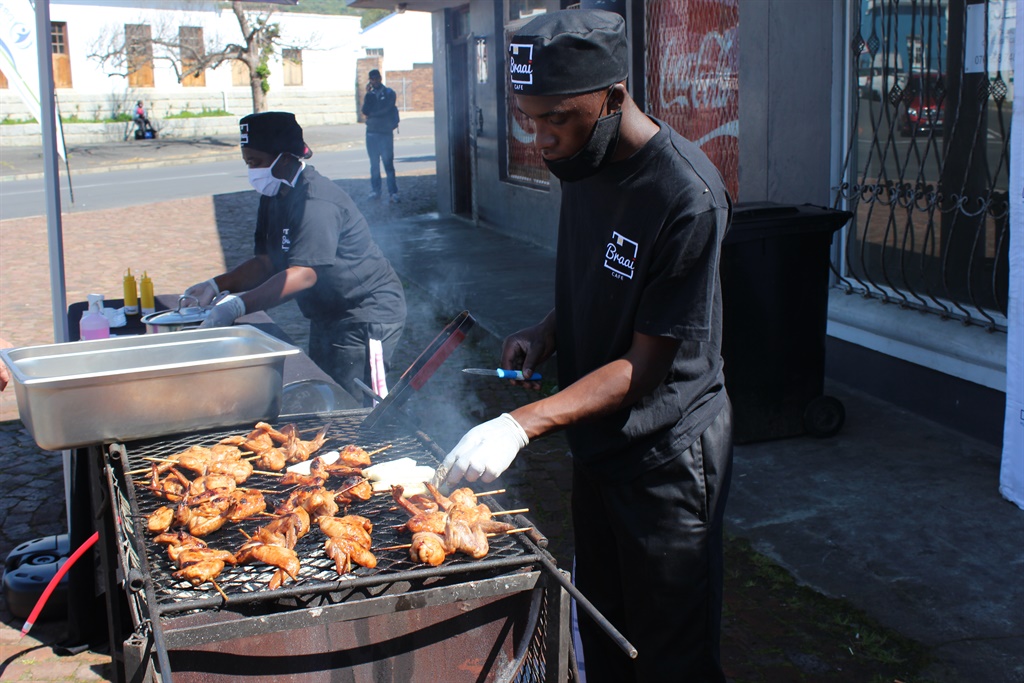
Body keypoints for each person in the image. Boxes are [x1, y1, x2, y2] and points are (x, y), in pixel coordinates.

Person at [438, 10, 733, 683]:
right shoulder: (583, 159)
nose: (540, 139)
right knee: (603, 630)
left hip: (665, 458)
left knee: (668, 655)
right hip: (598, 444)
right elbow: (605, 274)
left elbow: (644, 365)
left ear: (615, 96)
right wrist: (547, 330)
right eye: (526, 118)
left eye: (557, 119)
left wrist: (520, 422)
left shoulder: (685, 196)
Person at [184, 111, 406, 402]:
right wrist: (215, 285)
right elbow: (266, 262)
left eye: (256, 162)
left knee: (358, 404)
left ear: (285, 157)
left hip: (365, 314)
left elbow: (304, 274)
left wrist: (237, 307)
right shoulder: (275, 195)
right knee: (330, 395)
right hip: (327, 313)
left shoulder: (316, 201)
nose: (252, 171)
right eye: (247, 162)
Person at [361, 69, 400, 202]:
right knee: (374, 165)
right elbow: (365, 110)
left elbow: (387, 109)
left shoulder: (389, 93)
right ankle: (375, 191)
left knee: (388, 164)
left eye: (377, 78)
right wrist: (368, 95)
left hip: (385, 133)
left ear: (380, 78)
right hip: (371, 133)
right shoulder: (370, 95)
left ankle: (393, 193)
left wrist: (373, 114)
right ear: (370, 80)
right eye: (372, 79)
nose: (375, 81)